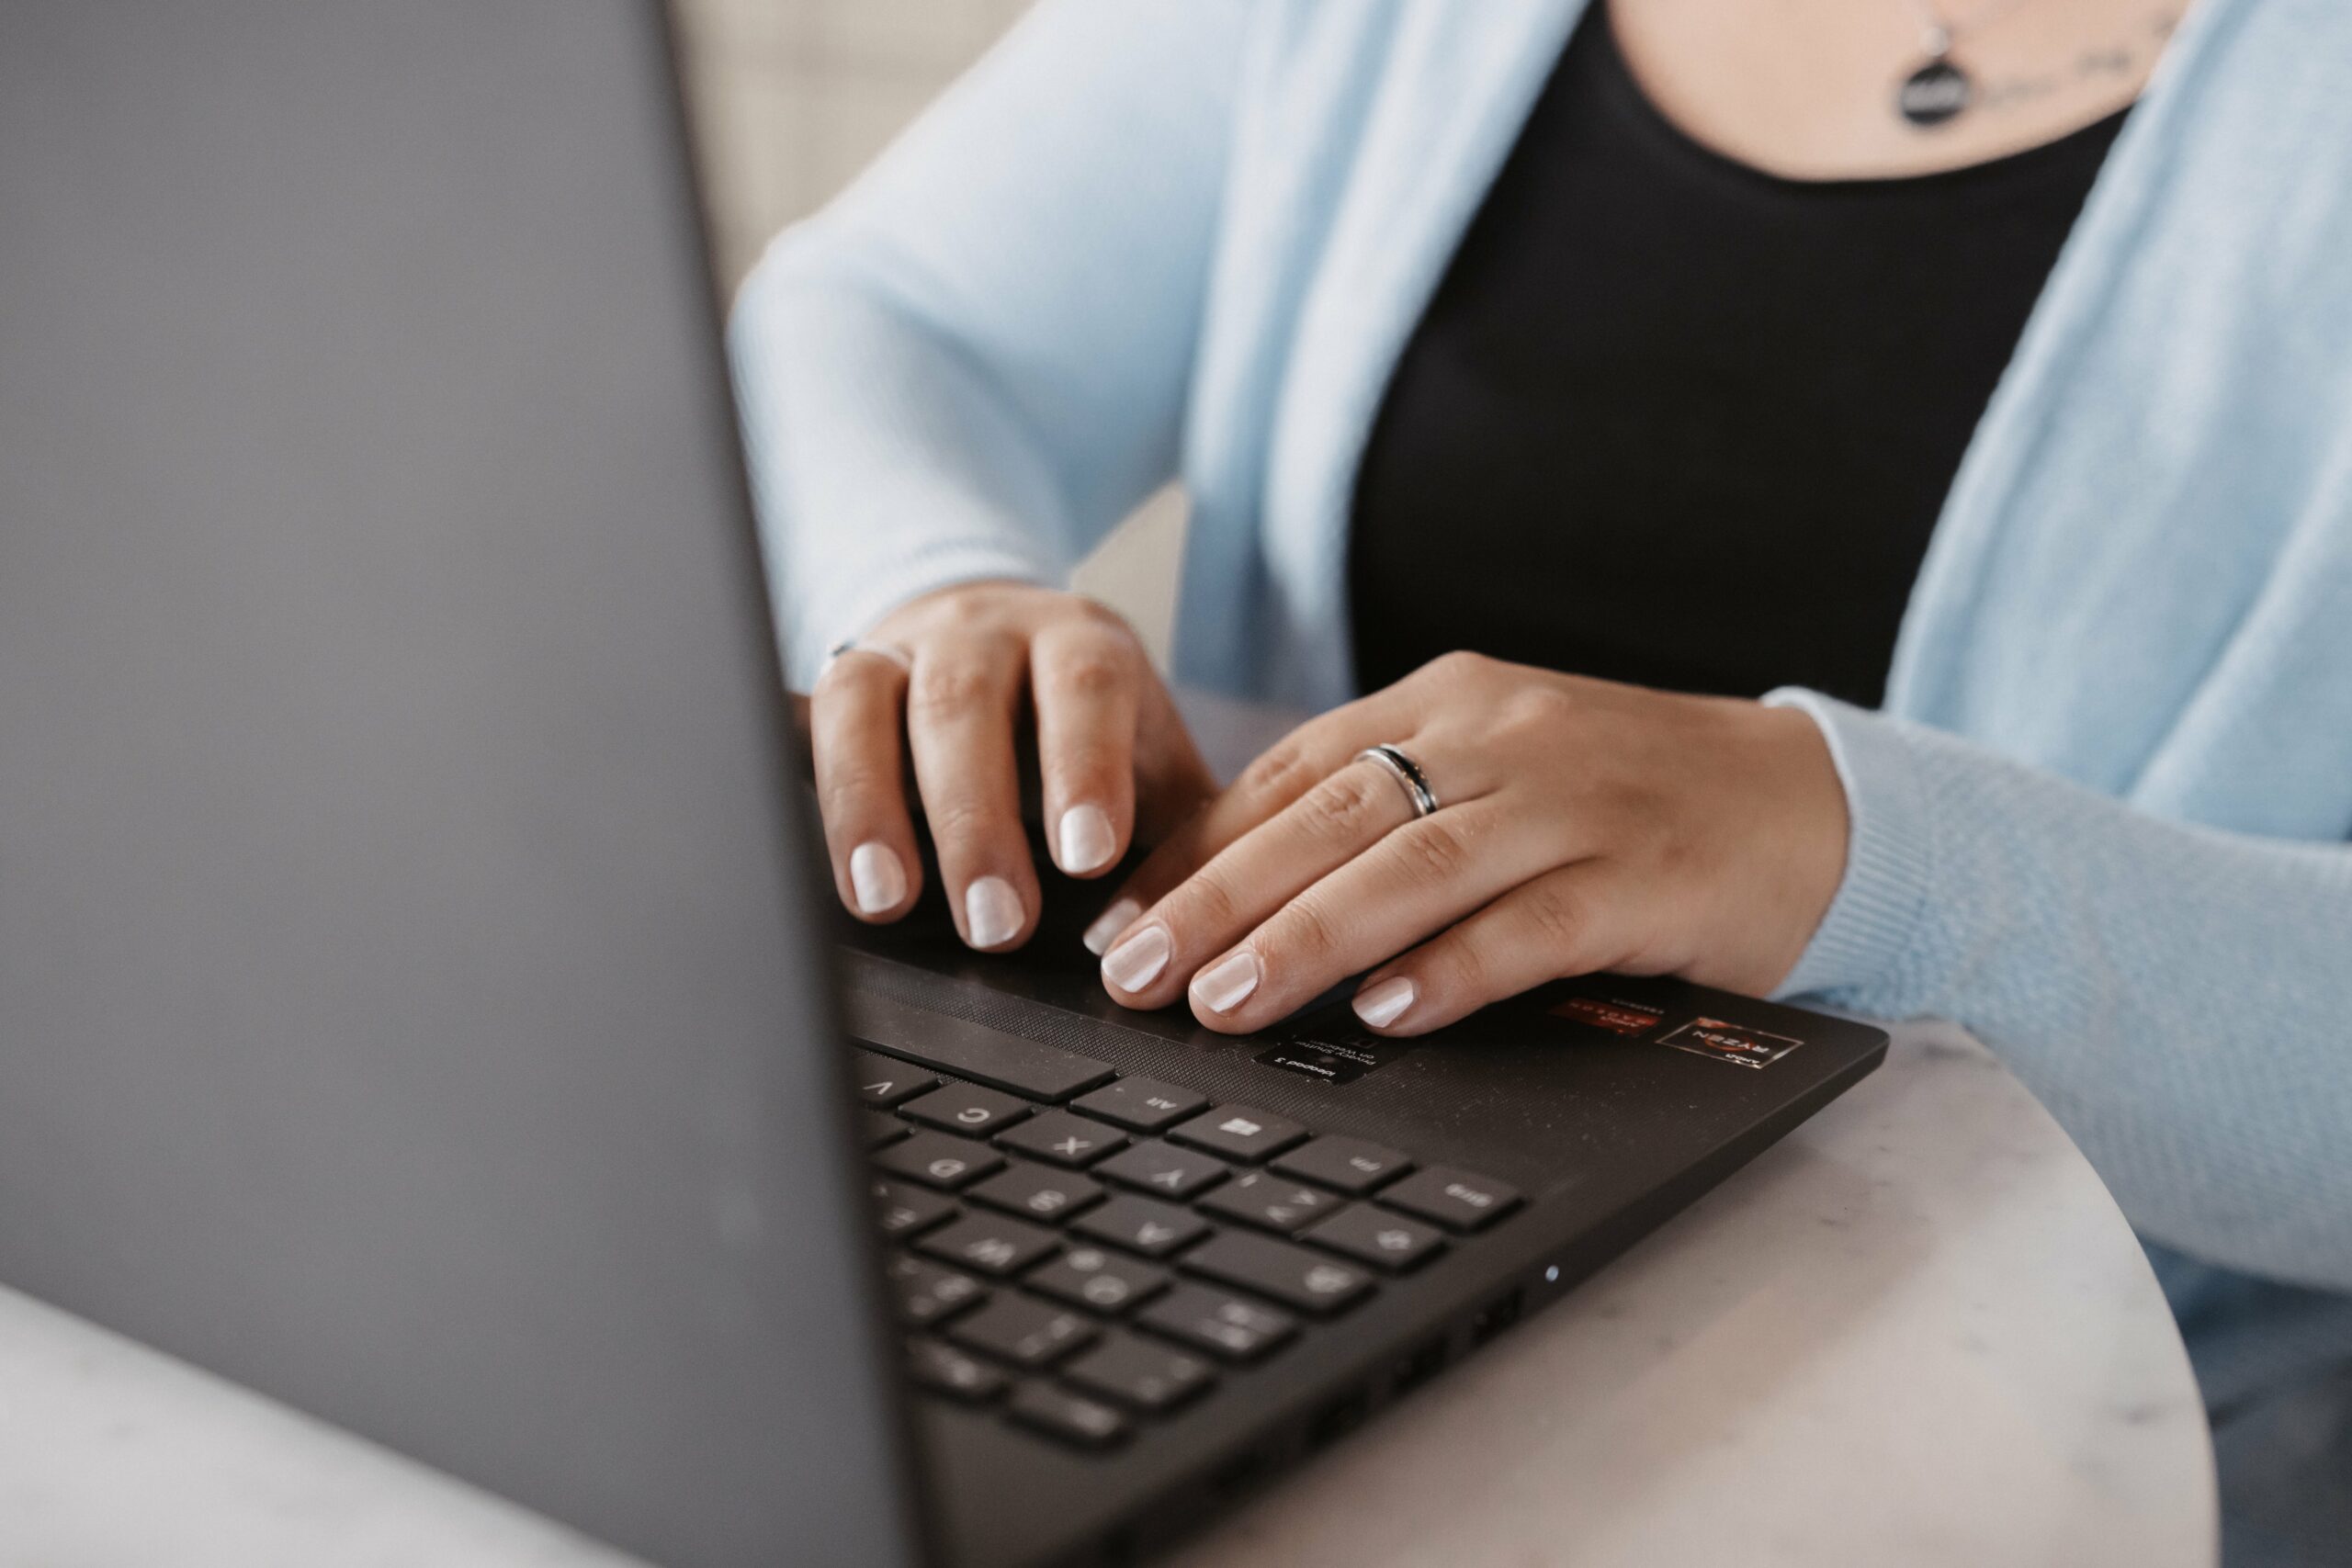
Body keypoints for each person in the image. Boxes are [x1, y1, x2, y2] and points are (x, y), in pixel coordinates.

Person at [726, 1, 2352, 1561]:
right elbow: (884, 314)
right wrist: (938, 590)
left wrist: (1853, 842)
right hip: (1248, 1217)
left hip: (2095, 1449)